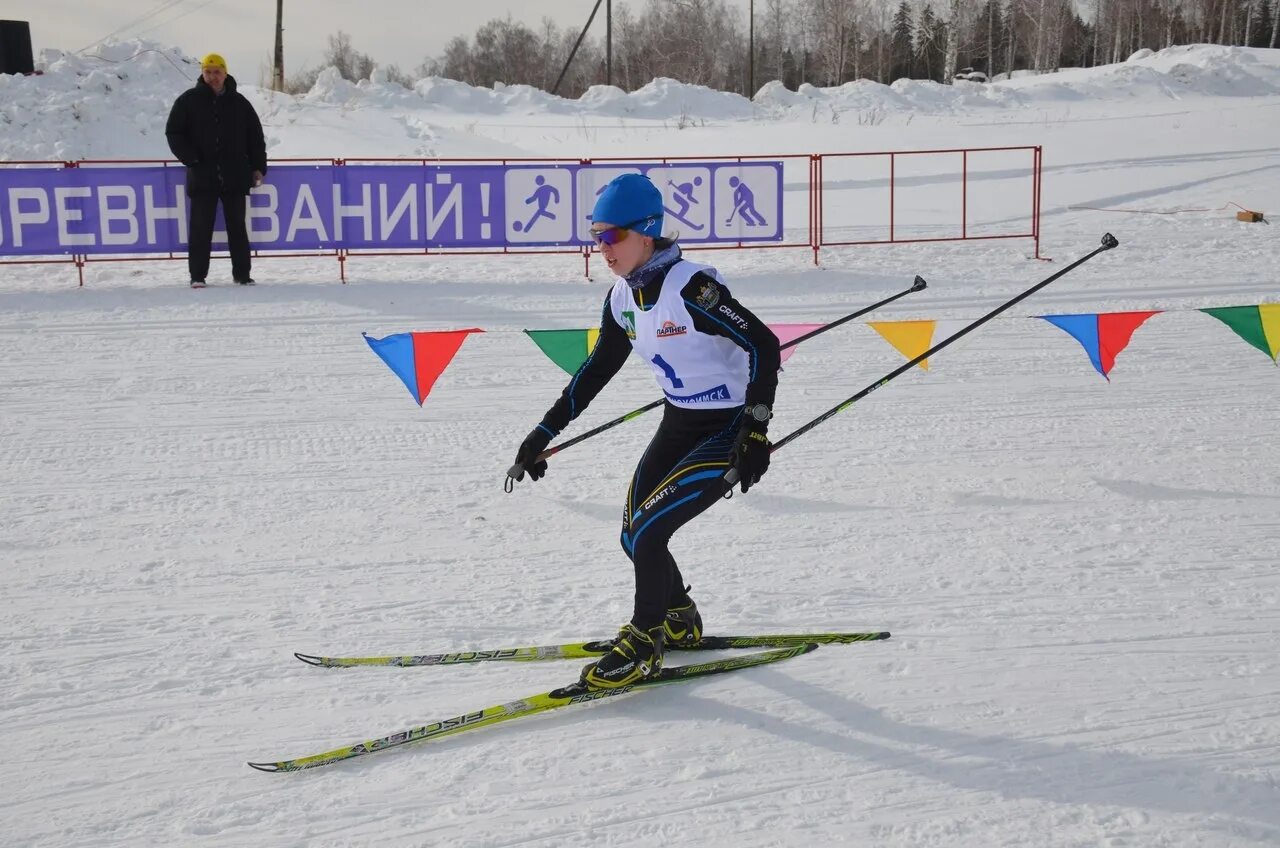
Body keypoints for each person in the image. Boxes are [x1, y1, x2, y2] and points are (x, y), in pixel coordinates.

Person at [510, 173, 781, 689]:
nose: (602, 248)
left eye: (613, 236)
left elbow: (763, 346)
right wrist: (541, 434)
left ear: (648, 233)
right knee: (633, 536)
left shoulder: (695, 289)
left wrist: (756, 431)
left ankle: (644, 640)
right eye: (596, 236)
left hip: (727, 425)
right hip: (678, 422)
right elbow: (594, 372)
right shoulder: (621, 298)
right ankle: (678, 617)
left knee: (652, 533)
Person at [165, 53, 267, 287]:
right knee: (200, 229)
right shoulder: (187, 101)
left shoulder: (240, 103)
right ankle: (197, 276)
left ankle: (242, 275)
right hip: (202, 177)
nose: (213, 77)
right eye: (208, 72)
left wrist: (258, 167)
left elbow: (255, 137)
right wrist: (191, 158)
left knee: (237, 228)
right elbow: (173, 133)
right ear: (202, 74)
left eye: (217, 72)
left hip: (235, 176)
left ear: (225, 73)